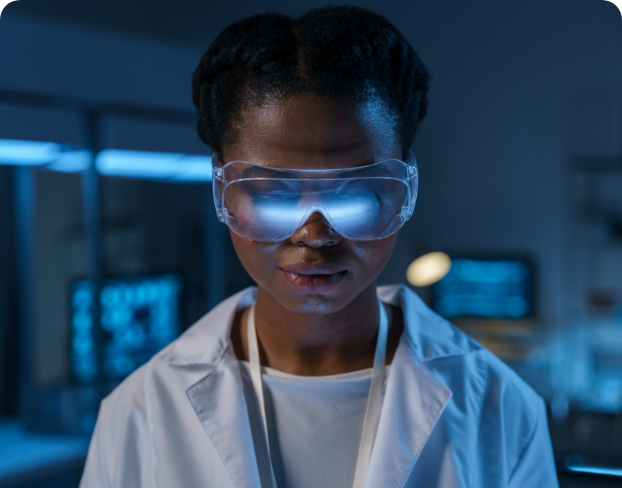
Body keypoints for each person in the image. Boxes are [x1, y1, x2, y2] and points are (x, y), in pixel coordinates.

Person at [80, 6, 558, 488]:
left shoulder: (499, 411)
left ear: (402, 187)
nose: (314, 235)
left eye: (353, 194)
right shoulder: (140, 413)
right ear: (222, 188)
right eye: (271, 194)